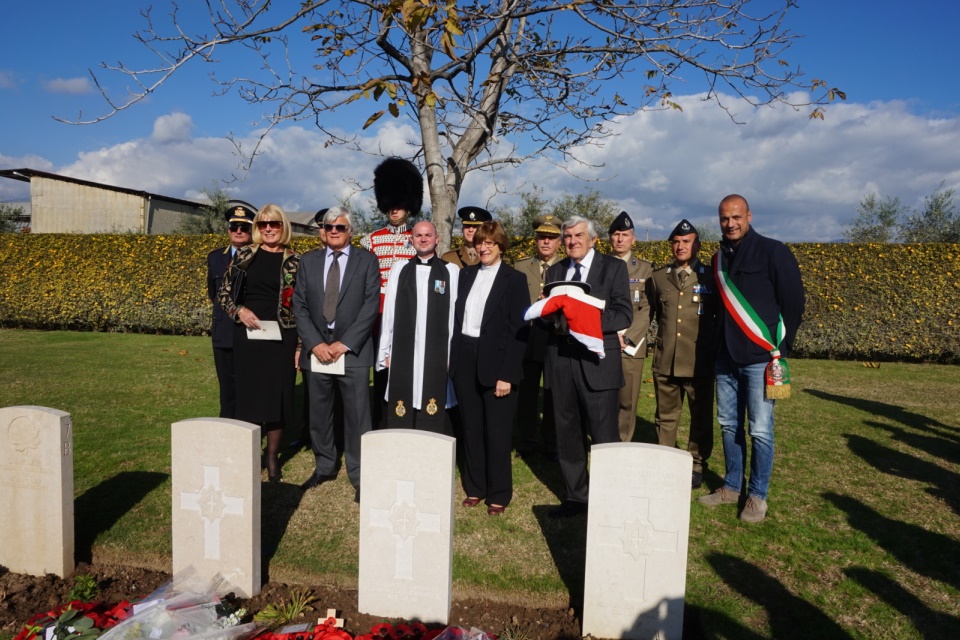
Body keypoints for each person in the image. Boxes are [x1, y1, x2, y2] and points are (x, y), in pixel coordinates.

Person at [698, 194, 805, 523]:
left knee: (760, 430)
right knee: (729, 425)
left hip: (761, 357)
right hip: (725, 358)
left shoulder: (774, 251)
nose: (730, 224)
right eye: (724, 218)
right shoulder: (718, 259)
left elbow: (794, 304)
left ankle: (757, 495)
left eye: (736, 217)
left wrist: (778, 348)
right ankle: (731, 486)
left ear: (749, 216)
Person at [543, 216, 632, 518]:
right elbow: (551, 317)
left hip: (598, 363)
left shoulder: (614, 268)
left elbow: (622, 315)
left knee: (604, 435)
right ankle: (576, 496)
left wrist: (584, 323)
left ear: (593, 239)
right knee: (567, 433)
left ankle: (610, 496)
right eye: (567, 237)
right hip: (562, 362)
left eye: (579, 235)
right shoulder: (555, 271)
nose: (572, 241)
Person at [294, 206, 380, 502]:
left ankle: (359, 472)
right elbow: (300, 305)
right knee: (319, 411)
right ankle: (325, 465)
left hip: (352, 350)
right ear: (322, 231)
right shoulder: (308, 261)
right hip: (317, 348)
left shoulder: (367, 261)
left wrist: (345, 343)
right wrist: (315, 343)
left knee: (357, 414)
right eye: (329, 227)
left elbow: (370, 305)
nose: (334, 231)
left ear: (350, 232)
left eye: (340, 227)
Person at [450, 221, 529, 516]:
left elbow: (519, 331)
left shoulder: (514, 280)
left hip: (497, 364)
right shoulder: (465, 276)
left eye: (489, 243)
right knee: (470, 428)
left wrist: (507, 374)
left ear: (501, 246)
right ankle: (475, 487)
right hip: (465, 359)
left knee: (496, 432)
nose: (483, 248)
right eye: (480, 243)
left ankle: (498, 493)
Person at [218, 204, 300, 482]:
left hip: (283, 337)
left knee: (278, 397)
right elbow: (224, 294)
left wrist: (300, 345)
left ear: (283, 226)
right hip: (249, 335)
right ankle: (252, 456)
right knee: (250, 397)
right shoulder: (244, 255)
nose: (268, 228)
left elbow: (303, 304)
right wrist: (239, 311)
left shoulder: (295, 260)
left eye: (274, 224)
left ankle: (272, 459)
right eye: (263, 224)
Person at [648, 219, 719, 489]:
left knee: (700, 417)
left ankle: (696, 464)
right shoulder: (658, 277)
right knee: (665, 415)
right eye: (676, 242)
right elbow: (654, 313)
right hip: (666, 360)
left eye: (686, 242)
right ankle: (666, 461)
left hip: (698, 360)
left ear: (697, 245)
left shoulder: (710, 277)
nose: (680, 246)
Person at [377, 220, 460, 433]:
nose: (423, 239)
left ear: (437, 239)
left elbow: (453, 314)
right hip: (405, 347)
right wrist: (385, 350)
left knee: (434, 392)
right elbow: (389, 312)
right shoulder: (400, 268)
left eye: (428, 235)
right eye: (419, 235)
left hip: (437, 349)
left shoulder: (450, 271)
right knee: (404, 392)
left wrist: (451, 352)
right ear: (411, 239)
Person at [361, 157, 421, 427]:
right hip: (375, 315)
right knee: (378, 370)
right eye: (391, 205)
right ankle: (377, 421)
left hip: (407, 314)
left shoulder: (418, 238)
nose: (395, 210)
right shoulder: (371, 239)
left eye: (400, 205)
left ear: (409, 206)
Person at [514, 214, 562, 460]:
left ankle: (552, 442)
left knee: (554, 392)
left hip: (556, 338)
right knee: (527, 392)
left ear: (559, 242)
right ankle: (527, 441)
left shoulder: (567, 267)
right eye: (542, 237)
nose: (546, 242)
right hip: (529, 336)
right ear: (535, 240)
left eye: (551, 238)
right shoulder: (522, 266)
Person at [607, 211, 654, 443]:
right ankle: (603, 442)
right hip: (603, 342)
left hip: (631, 346)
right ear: (609, 238)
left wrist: (629, 338)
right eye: (616, 234)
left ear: (633, 239)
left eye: (624, 235)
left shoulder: (646, 270)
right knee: (604, 398)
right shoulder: (599, 266)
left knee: (627, 400)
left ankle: (623, 444)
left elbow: (647, 308)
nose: (620, 239)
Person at [206, 201, 254, 419]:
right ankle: (227, 425)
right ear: (228, 230)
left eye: (244, 228)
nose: (238, 232)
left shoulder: (259, 256)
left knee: (249, 384)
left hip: (250, 331)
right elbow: (213, 292)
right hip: (223, 330)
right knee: (226, 386)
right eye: (234, 227)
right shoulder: (215, 257)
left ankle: (251, 425)